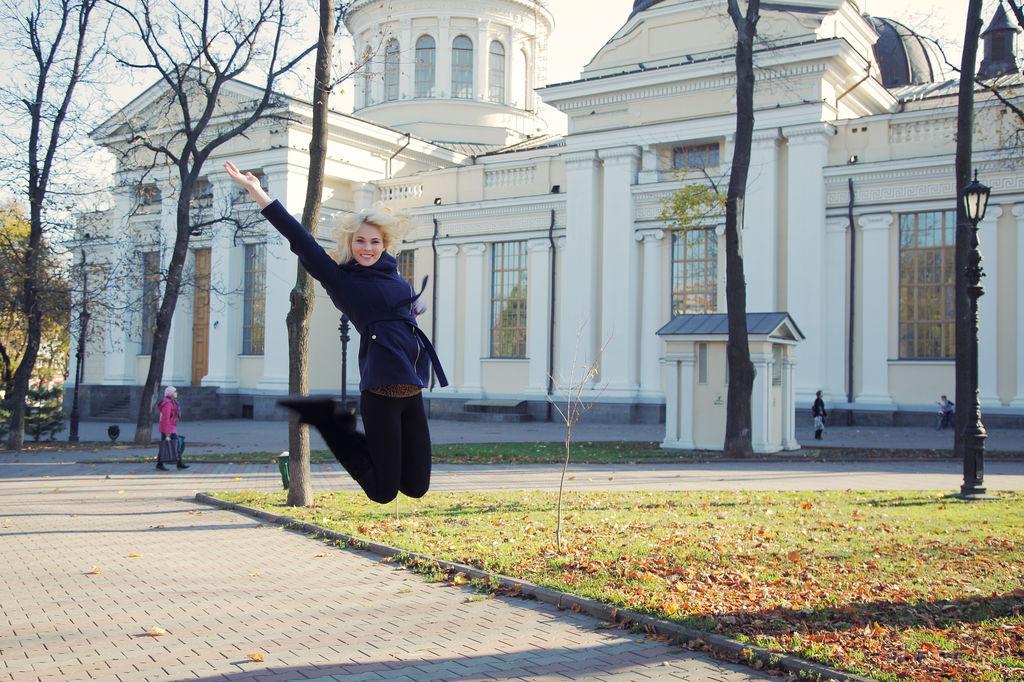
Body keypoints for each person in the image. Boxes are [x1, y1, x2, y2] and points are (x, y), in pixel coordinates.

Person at [224, 160, 447, 505]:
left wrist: (414, 307)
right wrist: (257, 191)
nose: (367, 248)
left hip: (412, 389)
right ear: (351, 243)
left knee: (416, 486)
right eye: (360, 242)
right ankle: (334, 428)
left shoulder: (395, 276)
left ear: (384, 244)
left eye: (374, 242)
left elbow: (397, 315)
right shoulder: (342, 280)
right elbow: (300, 240)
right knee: (383, 493)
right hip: (381, 392)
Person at [156, 386, 189, 470]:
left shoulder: (173, 402)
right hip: (167, 428)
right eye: (175, 392)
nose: (176, 393)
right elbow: (165, 418)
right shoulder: (167, 404)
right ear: (170, 394)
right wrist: (167, 432)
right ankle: (178, 463)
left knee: (167, 446)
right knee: (173, 445)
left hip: (171, 427)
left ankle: (161, 464)